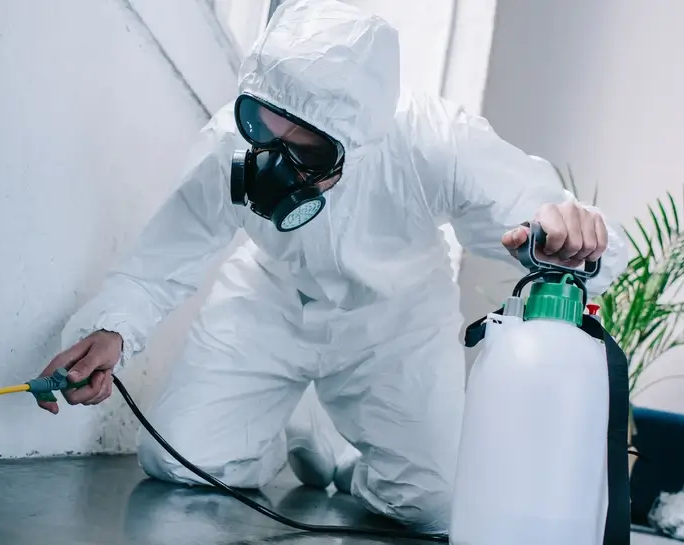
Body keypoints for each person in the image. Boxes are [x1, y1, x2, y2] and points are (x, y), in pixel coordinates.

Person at [36, 0, 629, 535]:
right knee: (180, 460)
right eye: (263, 124)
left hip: (395, 320)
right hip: (268, 300)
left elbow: (539, 217)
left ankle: (335, 449)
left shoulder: (434, 141)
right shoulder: (228, 148)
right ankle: (282, 420)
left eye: (309, 150)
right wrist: (113, 329)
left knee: (438, 506)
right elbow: (159, 261)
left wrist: (570, 238)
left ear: (359, 140)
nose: (272, 162)